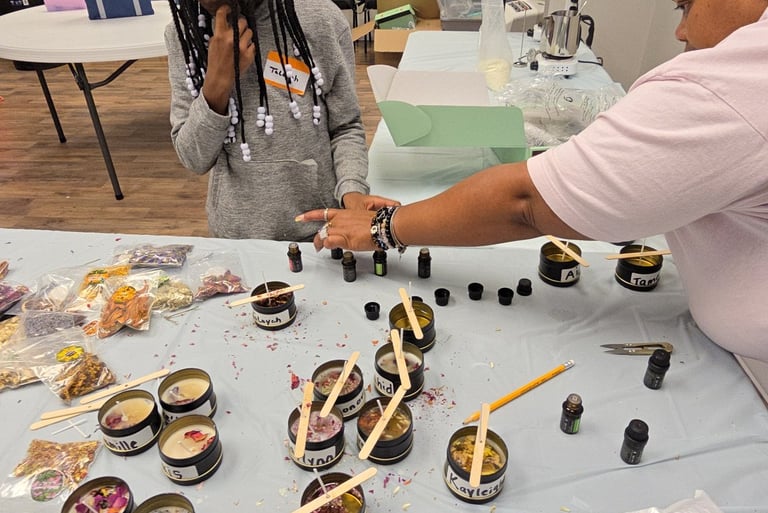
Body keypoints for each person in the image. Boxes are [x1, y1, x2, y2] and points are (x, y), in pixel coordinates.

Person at [297, 0, 768, 362]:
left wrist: (385, 228)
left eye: (685, 7)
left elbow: (523, 201)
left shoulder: (729, 87)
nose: (679, 30)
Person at [164, 0, 397, 241]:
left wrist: (352, 190)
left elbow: (345, 126)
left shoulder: (319, 20)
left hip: (319, 230)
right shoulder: (186, 34)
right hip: (235, 236)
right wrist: (217, 83)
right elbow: (193, 158)